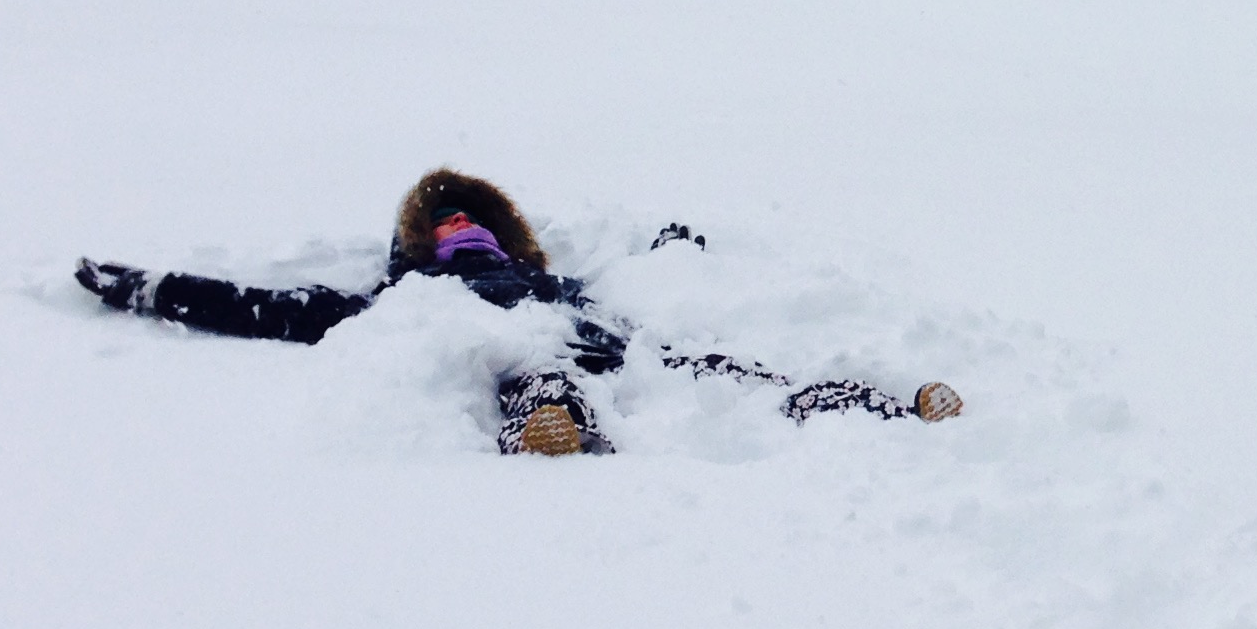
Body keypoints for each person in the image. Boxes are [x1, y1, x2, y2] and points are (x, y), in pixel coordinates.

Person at [76, 168, 962, 457]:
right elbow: (264, 307)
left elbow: (632, 279)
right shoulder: (406, 306)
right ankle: (549, 428)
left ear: (504, 237)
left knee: (730, 378)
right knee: (537, 379)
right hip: (519, 362)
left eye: (475, 220)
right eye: (446, 221)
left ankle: (877, 405)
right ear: (420, 244)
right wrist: (150, 288)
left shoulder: (556, 285)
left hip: (618, 353)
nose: (463, 229)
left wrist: (672, 248)